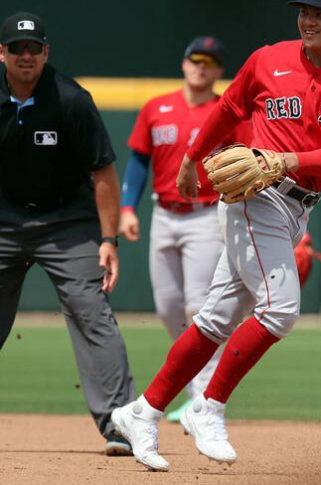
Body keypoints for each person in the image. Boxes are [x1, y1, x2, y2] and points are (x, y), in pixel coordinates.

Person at [110, 0, 321, 472]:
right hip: (254, 195)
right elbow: (228, 109)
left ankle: (142, 411)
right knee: (280, 310)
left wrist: (290, 161)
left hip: (296, 202)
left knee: (216, 320)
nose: (308, 20)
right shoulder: (267, 60)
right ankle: (208, 407)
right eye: (304, 10)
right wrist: (192, 158)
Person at [0, 12, 136, 456]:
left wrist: (109, 239)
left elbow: (103, 173)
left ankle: (119, 422)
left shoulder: (71, 99)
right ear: (0, 53)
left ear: (46, 53)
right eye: (16, 48)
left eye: (33, 48)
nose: (25, 55)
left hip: (68, 223)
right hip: (5, 221)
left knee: (90, 311)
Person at [119, 36, 250, 423]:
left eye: (210, 61)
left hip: (206, 215)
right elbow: (138, 162)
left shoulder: (226, 112)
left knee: (198, 306)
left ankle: (201, 400)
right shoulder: (156, 108)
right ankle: (192, 384)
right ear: (184, 63)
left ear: (219, 70)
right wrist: (128, 207)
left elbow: (247, 161)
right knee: (169, 307)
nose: (201, 66)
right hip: (164, 214)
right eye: (196, 59)